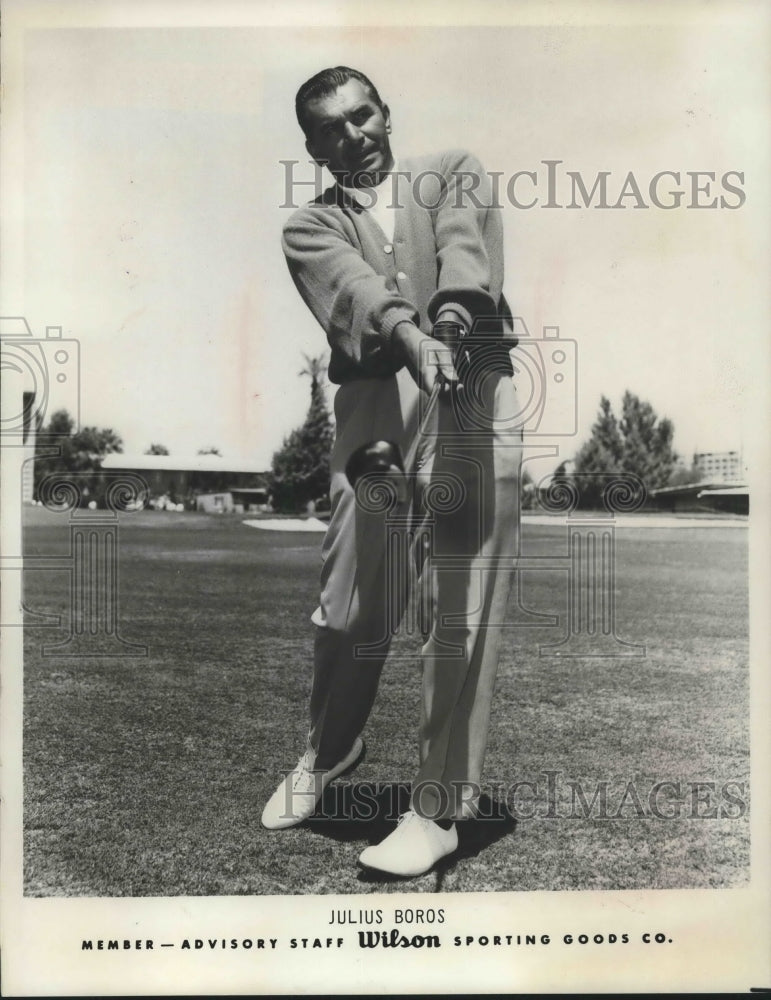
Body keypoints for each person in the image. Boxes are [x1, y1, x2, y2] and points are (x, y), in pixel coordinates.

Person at [261, 66, 522, 877]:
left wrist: (447, 324)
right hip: (376, 408)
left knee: (458, 602)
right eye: (332, 128)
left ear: (384, 112)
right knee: (349, 603)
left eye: (362, 115)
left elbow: (461, 251)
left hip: (471, 384)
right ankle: (330, 750)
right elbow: (358, 292)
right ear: (313, 146)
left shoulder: (450, 168)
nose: (354, 134)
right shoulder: (309, 226)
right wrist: (413, 337)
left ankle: (438, 808)